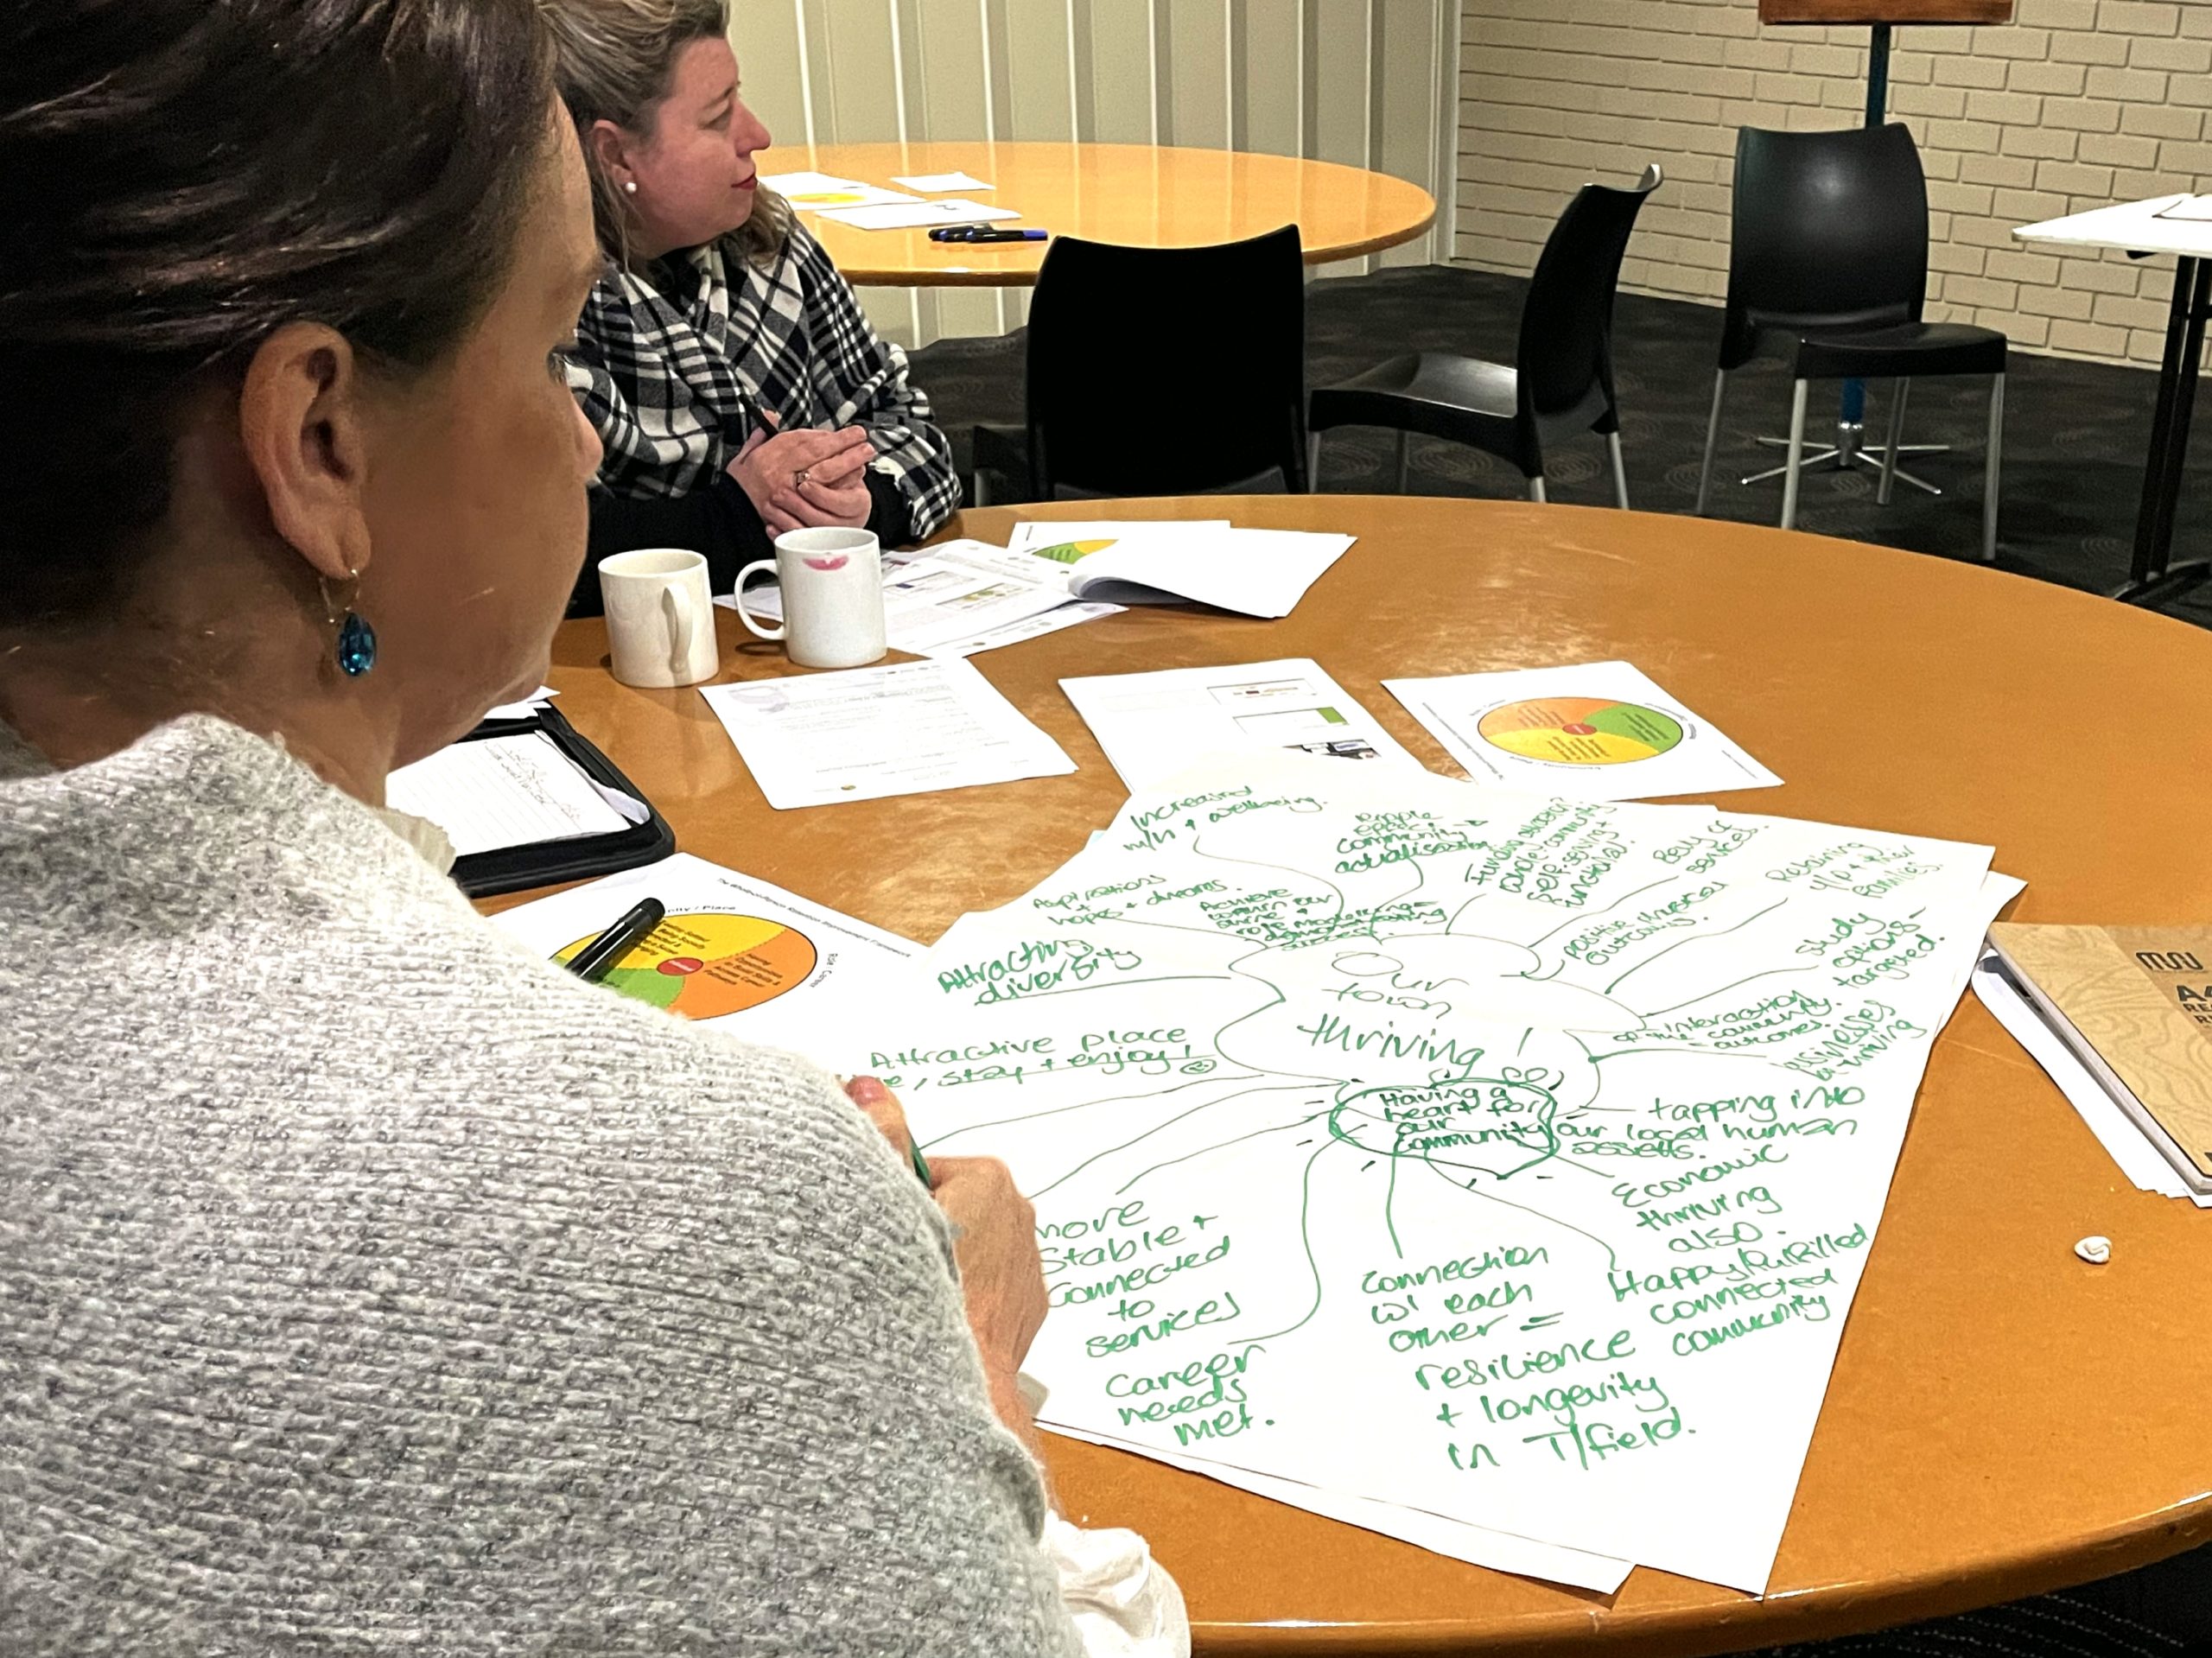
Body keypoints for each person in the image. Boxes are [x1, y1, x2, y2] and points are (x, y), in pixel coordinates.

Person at [0, 1, 1085, 1648]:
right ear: (319, 443)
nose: (581, 431)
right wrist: (969, 1357)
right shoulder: (680, 1193)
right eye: (553, 340)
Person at [545, 0, 960, 616]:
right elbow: (553, 553)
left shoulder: (767, 240)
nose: (757, 136)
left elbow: (913, 430)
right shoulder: (539, 308)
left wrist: (862, 501)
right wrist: (739, 514)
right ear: (615, 155)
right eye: (718, 118)